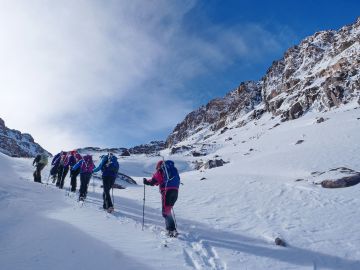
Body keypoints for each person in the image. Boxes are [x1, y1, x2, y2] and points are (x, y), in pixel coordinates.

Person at [143, 160, 180, 237]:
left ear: (159, 166)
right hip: (175, 192)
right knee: (168, 211)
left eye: (157, 167)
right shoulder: (173, 170)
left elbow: (154, 181)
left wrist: (146, 182)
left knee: (165, 212)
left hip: (167, 192)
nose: (156, 169)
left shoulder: (161, 170)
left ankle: (171, 230)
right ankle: (171, 229)